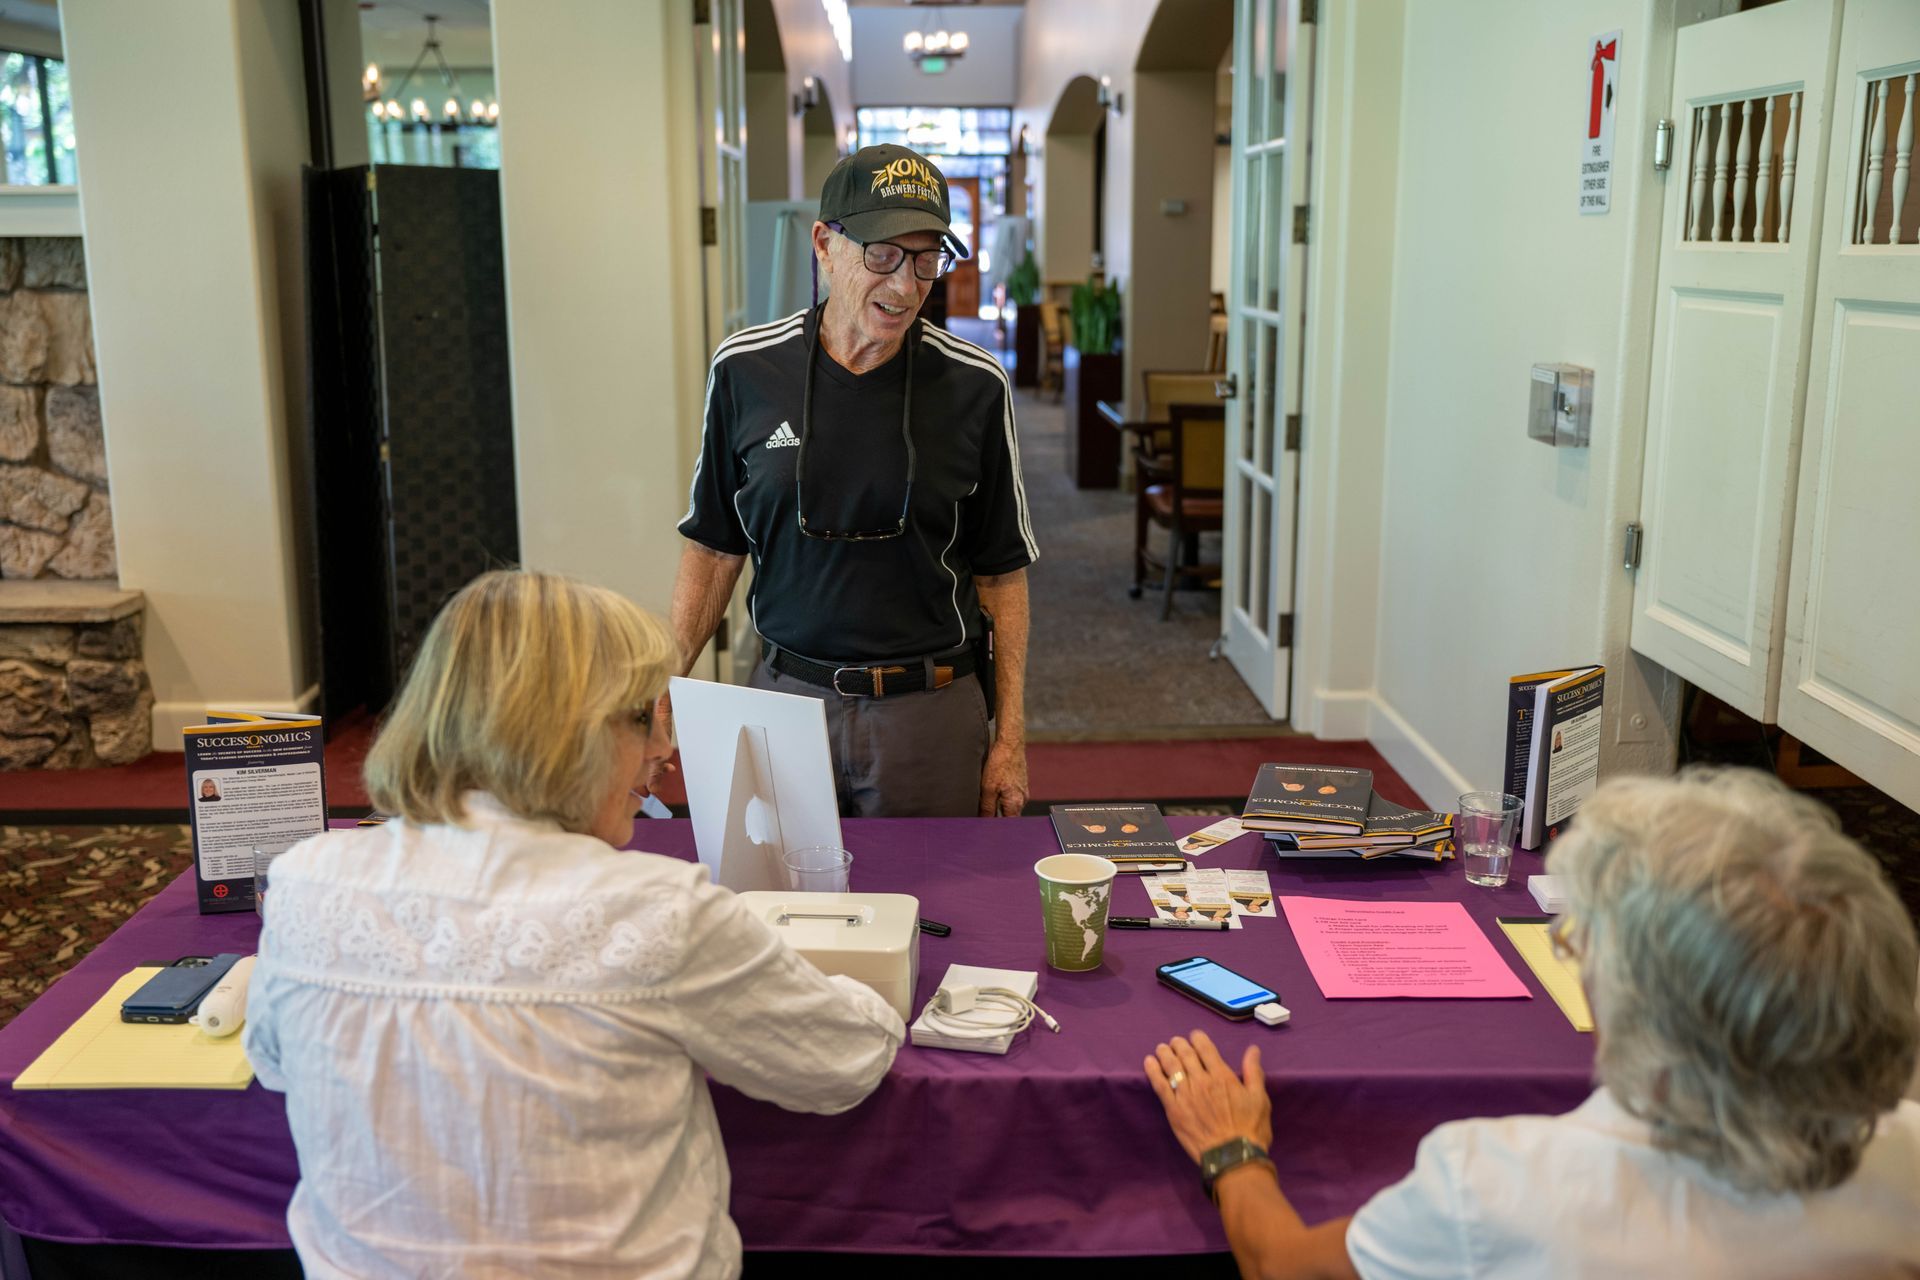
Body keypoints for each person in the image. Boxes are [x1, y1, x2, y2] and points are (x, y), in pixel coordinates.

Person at [243, 570, 904, 1279]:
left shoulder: (305, 882)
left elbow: (272, 1062)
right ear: (575, 732)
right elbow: (843, 1062)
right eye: (647, 718)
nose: (662, 750)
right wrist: (857, 981)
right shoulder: (659, 910)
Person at [1145, 767, 1920, 1279]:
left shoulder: (1495, 1185)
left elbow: (1281, 1264)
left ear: (1648, 1014)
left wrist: (1233, 1153)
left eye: (1584, 942)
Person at [669, 142, 1037, 819]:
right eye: (883, 254)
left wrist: (1010, 738)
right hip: (784, 703)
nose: (905, 286)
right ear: (824, 244)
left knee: (934, 915)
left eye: (927, 260)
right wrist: (665, 688)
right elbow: (714, 548)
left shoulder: (975, 386)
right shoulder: (746, 371)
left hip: (928, 712)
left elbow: (1002, 574)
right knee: (777, 915)